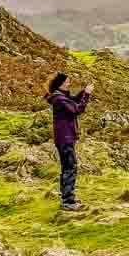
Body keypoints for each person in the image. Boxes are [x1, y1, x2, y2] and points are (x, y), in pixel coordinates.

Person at [45, 72, 94, 211]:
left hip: (64, 137)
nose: (69, 83)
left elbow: (72, 99)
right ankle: (68, 201)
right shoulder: (59, 98)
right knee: (70, 167)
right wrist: (87, 94)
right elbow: (77, 109)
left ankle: (67, 196)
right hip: (65, 137)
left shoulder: (60, 96)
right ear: (61, 84)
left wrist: (84, 91)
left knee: (67, 167)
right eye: (67, 82)